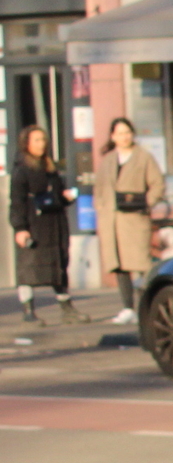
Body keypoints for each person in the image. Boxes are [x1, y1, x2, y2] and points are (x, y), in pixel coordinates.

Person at [94, 118, 165, 326]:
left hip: (134, 218)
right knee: (119, 266)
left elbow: (157, 184)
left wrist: (146, 203)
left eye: (127, 132)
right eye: (120, 133)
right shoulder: (108, 159)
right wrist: (100, 205)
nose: (124, 137)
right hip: (111, 221)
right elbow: (99, 187)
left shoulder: (144, 157)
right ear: (113, 136)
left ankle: (148, 305)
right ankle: (127, 307)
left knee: (141, 263)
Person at [10, 124, 76, 325]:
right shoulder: (21, 171)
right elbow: (17, 202)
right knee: (29, 267)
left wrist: (66, 198)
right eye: (36, 140)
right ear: (26, 143)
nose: (41, 144)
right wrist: (20, 228)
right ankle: (28, 310)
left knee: (58, 266)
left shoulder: (50, 167)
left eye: (43, 140)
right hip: (33, 225)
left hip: (54, 225)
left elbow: (56, 194)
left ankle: (67, 309)